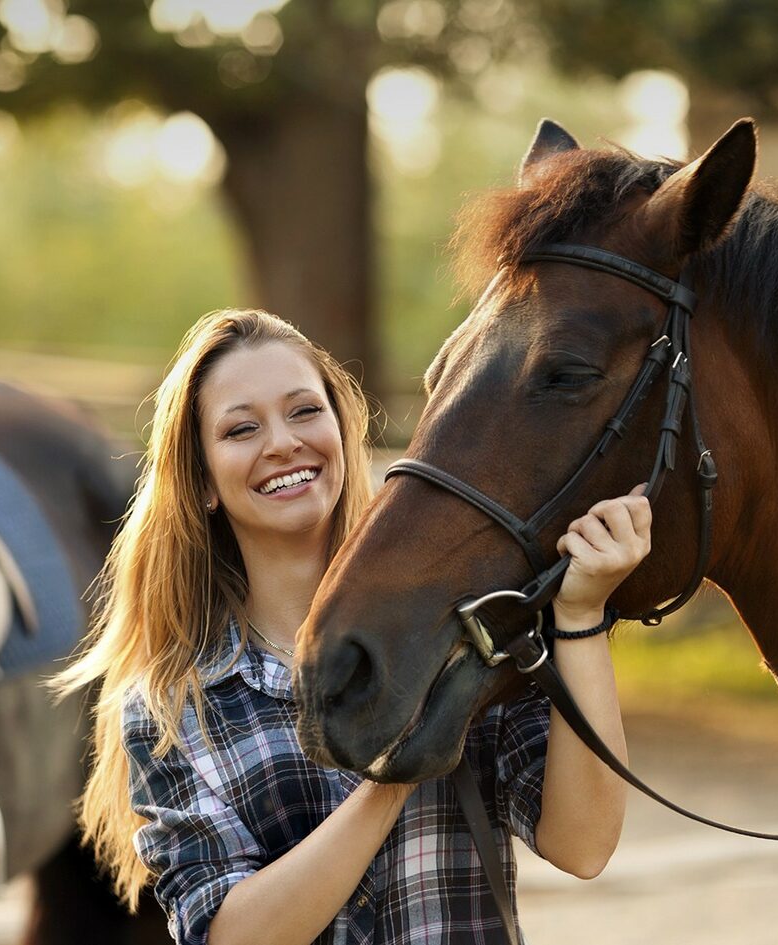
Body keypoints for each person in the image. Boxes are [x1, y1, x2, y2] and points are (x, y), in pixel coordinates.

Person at [57, 309, 643, 944]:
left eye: (305, 411)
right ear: (203, 481)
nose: (281, 443)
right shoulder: (172, 707)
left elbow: (582, 846)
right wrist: (389, 780)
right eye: (242, 428)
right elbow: (229, 936)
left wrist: (580, 618)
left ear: (342, 429)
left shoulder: (461, 621)